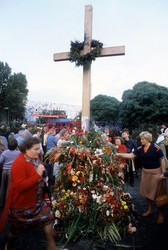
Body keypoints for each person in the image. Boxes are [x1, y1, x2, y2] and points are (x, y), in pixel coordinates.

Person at [0, 137, 64, 250]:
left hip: (37, 203)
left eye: (39, 148)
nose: (39, 151)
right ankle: (9, 246)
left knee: (48, 218)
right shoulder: (18, 163)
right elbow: (20, 187)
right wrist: (38, 174)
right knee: (15, 232)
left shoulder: (35, 158)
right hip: (21, 206)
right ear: (26, 149)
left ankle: (52, 246)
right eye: (36, 149)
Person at [116, 131, 166, 224]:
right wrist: (118, 154)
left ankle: (161, 214)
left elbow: (162, 159)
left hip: (156, 173)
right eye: (141, 139)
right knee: (148, 193)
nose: (141, 140)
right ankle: (150, 210)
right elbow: (131, 155)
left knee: (159, 195)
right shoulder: (140, 148)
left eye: (142, 139)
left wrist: (163, 173)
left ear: (147, 139)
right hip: (146, 172)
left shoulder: (155, 147)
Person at [0, 139, 20, 211]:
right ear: (16, 145)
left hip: (4, 171)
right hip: (12, 172)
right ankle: (8, 206)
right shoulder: (19, 153)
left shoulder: (5, 152)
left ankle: (1, 203)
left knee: (3, 188)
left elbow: (0, 161)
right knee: (9, 188)